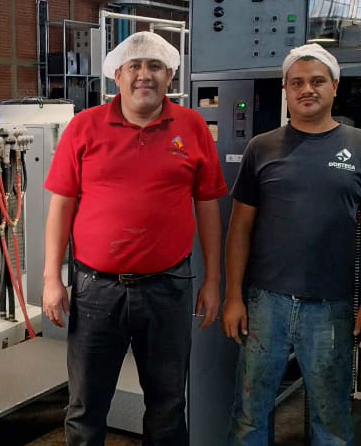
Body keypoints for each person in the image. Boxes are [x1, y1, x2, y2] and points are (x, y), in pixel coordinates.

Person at [41, 31, 227, 446]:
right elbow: (61, 206)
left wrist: (213, 281)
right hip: (96, 290)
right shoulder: (84, 127)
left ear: (170, 75)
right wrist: (52, 278)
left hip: (169, 288)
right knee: (86, 406)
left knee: (166, 405)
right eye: (136, 67)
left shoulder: (193, 126)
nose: (145, 75)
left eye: (155, 66)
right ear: (117, 76)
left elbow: (208, 207)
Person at [224, 43, 361, 446]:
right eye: (297, 82)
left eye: (318, 81)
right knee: (250, 415)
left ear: (335, 86)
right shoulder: (261, 148)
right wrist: (233, 295)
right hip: (265, 303)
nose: (307, 89)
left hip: (331, 305)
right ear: (285, 88)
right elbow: (240, 227)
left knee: (331, 417)